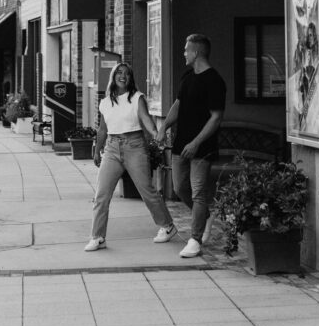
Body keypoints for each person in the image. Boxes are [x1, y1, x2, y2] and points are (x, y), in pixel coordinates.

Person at [85, 62, 176, 252]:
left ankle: (167, 226)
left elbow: (145, 119)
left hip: (134, 146)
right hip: (111, 148)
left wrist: (155, 133)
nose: (123, 76)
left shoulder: (136, 98)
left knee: (147, 191)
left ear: (130, 78)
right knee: (101, 194)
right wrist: (96, 150)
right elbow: (102, 129)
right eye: (119, 72)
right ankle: (97, 237)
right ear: (113, 76)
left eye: (126, 74)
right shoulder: (105, 102)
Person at [157, 33, 226, 258]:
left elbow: (216, 117)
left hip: (202, 148)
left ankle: (195, 240)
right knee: (179, 188)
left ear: (196, 52)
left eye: (186, 50)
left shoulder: (215, 81)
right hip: (180, 145)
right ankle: (205, 215)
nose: (184, 53)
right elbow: (178, 105)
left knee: (198, 193)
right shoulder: (187, 76)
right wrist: (163, 127)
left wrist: (196, 142)